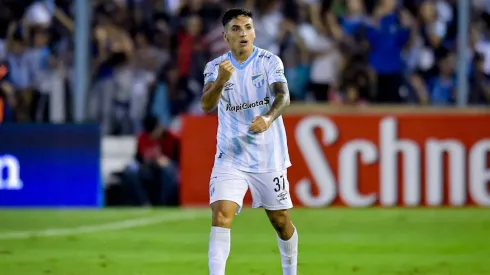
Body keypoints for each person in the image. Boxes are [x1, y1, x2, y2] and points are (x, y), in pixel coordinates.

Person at [201, 8, 298, 275]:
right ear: (225, 36)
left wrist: (267, 118)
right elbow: (207, 104)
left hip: (269, 155)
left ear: (254, 31)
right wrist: (221, 80)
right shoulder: (214, 68)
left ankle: (290, 271)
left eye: (247, 27)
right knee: (221, 215)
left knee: (280, 221)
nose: (243, 33)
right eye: (236, 28)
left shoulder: (269, 62)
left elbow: (283, 97)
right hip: (230, 155)